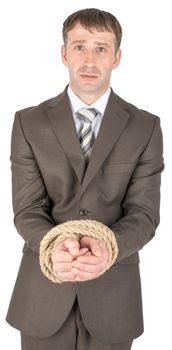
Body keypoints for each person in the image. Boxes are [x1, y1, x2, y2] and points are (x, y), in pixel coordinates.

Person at [6, 8, 164, 350]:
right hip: (42, 298)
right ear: (64, 53)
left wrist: (109, 247)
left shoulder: (146, 127)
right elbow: (27, 209)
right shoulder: (28, 123)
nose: (89, 60)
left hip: (114, 297)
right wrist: (53, 247)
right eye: (79, 46)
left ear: (117, 57)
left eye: (101, 48)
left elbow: (145, 214)